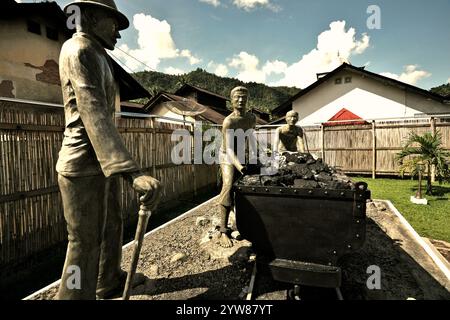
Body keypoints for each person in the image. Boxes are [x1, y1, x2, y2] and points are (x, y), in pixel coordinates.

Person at [56, 0, 161, 300]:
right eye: (113, 22)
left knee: (112, 225)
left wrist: (119, 168)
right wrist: (132, 173)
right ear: (89, 17)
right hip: (81, 165)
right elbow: (92, 112)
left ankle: (108, 279)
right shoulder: (79, 50)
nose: (118, 31)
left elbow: (103, 116)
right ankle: (72, 296)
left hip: (101, 164)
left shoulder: (97, 53)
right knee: (83, 242)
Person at [217, 86, 257, 248]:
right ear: (231, 100)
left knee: (240, 189)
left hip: (240, 154)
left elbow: (251, 137)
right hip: (227, 155)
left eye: (244, 97)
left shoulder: (251, 118)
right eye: (237, 97)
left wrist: (257, 155)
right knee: (228, 186)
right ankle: (223, 230)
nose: (241, 100)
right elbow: (229, 150)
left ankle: (240, 224)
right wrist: (241, 167)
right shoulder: (229, 121)